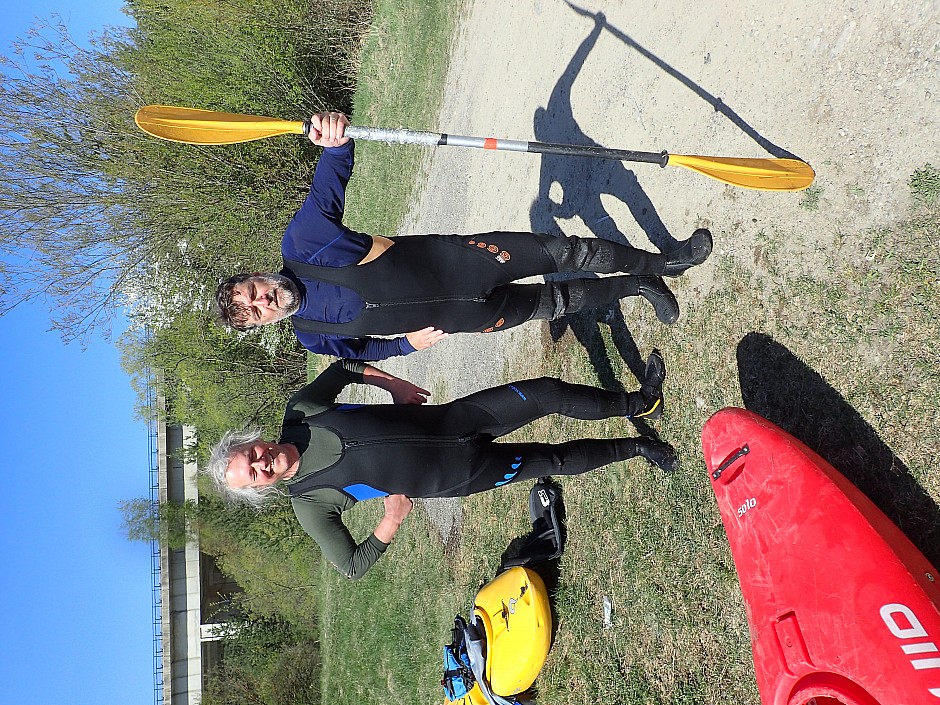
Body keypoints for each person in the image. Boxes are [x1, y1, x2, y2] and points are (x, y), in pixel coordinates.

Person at [213, 111, 713, 360]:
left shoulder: (301, 245)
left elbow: (331, 179)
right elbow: (364, 352)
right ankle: (639, 287)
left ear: (258, 275)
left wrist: (333, 139)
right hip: (467, 315)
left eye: (252, 291)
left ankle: (663, 262)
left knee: (568, 251)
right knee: (560, 302)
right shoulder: (311, 336)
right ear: (263, 325)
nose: (263, 300)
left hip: (467, 261)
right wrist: (405, 347)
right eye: (256, 311)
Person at [205, 351, 678, 579]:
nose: (261, 465)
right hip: (458, 474)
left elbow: (344, 368)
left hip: (459, 417)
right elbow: (351, 565)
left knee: (545, 392)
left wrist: (391, 385)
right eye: (252, 475)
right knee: (549, 459)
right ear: (258, 488)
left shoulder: (301, 412)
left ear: (256, 441)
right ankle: (636, 449)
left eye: (251, 455)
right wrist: (388, 523)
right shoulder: (309, 504)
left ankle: (637, 403)